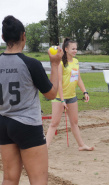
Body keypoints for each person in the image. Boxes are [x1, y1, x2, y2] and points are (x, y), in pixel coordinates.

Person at [0, 15, 63, 184]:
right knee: (38, 180)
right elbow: (51, 94)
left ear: (3, 37)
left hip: (3, 123)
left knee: (9, 179)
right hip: (26, 124)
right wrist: (55, 64)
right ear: (23, 36)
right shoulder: (31, 63)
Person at [46, 38, 94, 151]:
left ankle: (81, 145)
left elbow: (79, 79)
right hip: (59, 97)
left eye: (76, 48)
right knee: (54, 123)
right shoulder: (61, 63)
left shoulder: (76, 62)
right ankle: (44, 148)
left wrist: (85, 92)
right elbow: (58, 83)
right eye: (73, 48)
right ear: (66, 49)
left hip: (72, 97)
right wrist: (62, 100)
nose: (75, 50)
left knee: (74, 122)